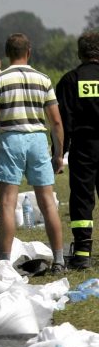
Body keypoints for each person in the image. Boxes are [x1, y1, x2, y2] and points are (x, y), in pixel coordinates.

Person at [0, 33, 65, 271]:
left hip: (11, 138)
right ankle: (58, 259)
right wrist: (58, 154)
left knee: (7, 202)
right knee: (47, 202)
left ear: (7, 54)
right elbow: (56, 122)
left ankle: (5, 262)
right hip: (38, 139)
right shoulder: (44, 79)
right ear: (29, 52)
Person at [56, 31, 99, 270]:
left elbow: (63, 122)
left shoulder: (71, 80)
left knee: (82, 199)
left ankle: (82, 253)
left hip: (83, 148)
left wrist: (59, 152)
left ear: (80, 53)